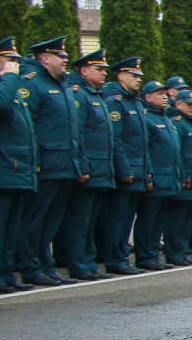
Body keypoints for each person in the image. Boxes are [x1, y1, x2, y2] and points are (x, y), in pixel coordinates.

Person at [14, 37, 81, 286]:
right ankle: (31, 267)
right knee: (34, 220)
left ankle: (45, 265)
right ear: (44, 58)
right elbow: (26, 125)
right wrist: (35, 159)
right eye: (60, 56)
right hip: (46, 164)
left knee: (51, 221)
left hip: (64, 164)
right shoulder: (32, 84)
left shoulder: (61, 84)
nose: (65, 60)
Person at [58, 50, 117, 281]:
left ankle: (88, 262)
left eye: (104, 69)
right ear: (84, 71)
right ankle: (78, 264)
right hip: (88, 168)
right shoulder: (79, 95)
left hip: (99, 168)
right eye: (98, 69)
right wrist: (82, 166)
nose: (104, 73)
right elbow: (78, 133)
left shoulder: (95, 95)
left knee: (90, 221)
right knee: (79, 221)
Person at [0, 38, 37, 294]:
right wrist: (8, 77)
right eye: (10, 61)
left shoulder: (11, 88)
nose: (15, 66)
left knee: (10, 226)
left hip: (17, 168)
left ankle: (6, 272)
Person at [99, 58, 149, 275]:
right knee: (117, 219)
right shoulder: (116, 101)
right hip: (126, 171)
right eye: (134, 76)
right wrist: (124, 169)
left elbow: (142, 142)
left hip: (137, 169)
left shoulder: (134, 101)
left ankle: (121, 258)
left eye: (139, 76)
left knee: (126, 218)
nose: (138, 80)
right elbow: (115, 139)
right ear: (121, 76)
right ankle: (114, 259)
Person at [134, 78, 182, 271]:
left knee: (159, 220)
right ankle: (144, 256)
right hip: (156, 178)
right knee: (148, 220)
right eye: (159, 94)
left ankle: (153, 254)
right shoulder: (147, 118)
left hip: (168, 178)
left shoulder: (164, 118)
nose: (164, 97)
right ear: (147, 97)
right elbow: (144, 149)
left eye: (165, 94)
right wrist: (149, 174)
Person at [165, 81, 192, 266]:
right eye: (189, 104)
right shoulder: (178, 124)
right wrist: (182, 177)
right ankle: (174, 252)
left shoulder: (191, 124)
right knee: (177, 219)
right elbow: (177, 155)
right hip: (186, 180)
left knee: (188, 220)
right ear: (178, 104)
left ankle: (181, 252)